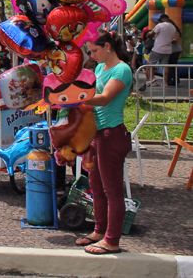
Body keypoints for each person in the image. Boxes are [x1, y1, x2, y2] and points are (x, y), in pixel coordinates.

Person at [75, 31, 133, 255]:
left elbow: (105, 97)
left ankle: (112, 240)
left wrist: (73, 97)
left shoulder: (122, 70)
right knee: (96, 187)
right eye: (90, 51)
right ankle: (99, 231)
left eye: (94, 50)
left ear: (108, 47)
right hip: (98, 134)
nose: (92, 55)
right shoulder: (100, 69)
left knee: (112, 190)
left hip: (112, 135)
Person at [146, 14, 177, 85]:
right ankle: (165, 83)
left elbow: (151, 34)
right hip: (168, 50)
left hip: (158, 48)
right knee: (165, 66)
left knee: (150, 64)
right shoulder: (173, 27)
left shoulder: (160, 25)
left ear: (162, 19)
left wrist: (149, 34)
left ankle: (151, 80)